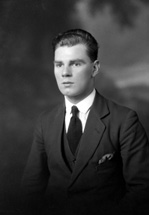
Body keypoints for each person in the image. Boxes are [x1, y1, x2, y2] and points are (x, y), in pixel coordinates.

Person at [21, 29, 149, 215]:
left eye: (75, 64)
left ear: (95, 68)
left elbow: (142, 191)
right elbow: (31, 190)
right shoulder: (45, 122)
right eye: (59, 65)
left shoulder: (125, 121)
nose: (65, 73)